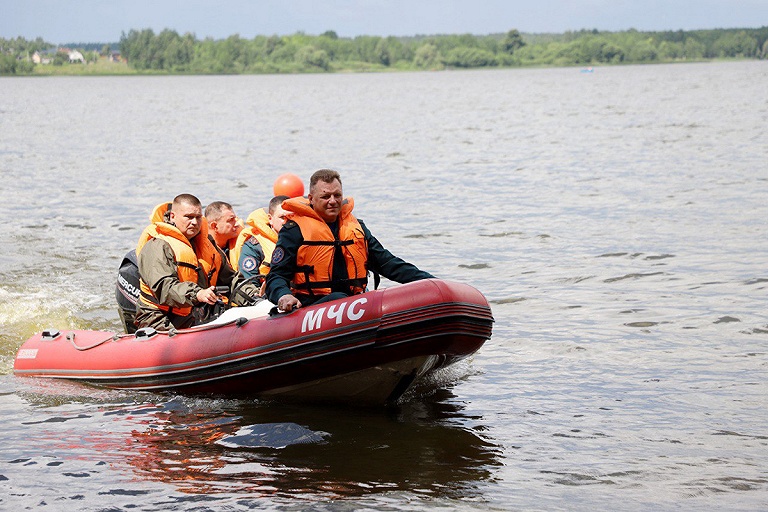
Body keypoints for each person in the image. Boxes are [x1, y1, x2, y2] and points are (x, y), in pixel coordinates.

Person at [265, 169, 434, 312]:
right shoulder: (294, 231)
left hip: (356, 304)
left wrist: (430, 282)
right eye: (326, 196)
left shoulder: (357, 228)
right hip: (313, 307)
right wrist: (283, 294)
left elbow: (389, 264)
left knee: (357, 299)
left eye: (337, 195)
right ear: (311, 199)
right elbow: (276, 276)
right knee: (340, 299)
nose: (333, 201)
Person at [135, 194, 261, 331]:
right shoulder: (157, 246)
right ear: (173, 216)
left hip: (192, 314)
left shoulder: (207, 243)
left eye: (198, 217)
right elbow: (164, 287)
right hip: (157, 316)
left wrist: (255, 296)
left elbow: (230, 279)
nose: (195, 222)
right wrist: (197, 294)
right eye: (188, 217)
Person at [230, 195, 290, 281]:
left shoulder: (303, 240)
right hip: (268, 292)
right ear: (270, 219)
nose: (287, 221)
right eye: (282, 217)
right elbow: (248, 284)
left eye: (291, 217)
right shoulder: (254, 246)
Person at [204, 201, 241, 269]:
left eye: (235, 219)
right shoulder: (202, 251)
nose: (237, 224)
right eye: (231, 220)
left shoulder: (242, 245)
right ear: (214, 226)